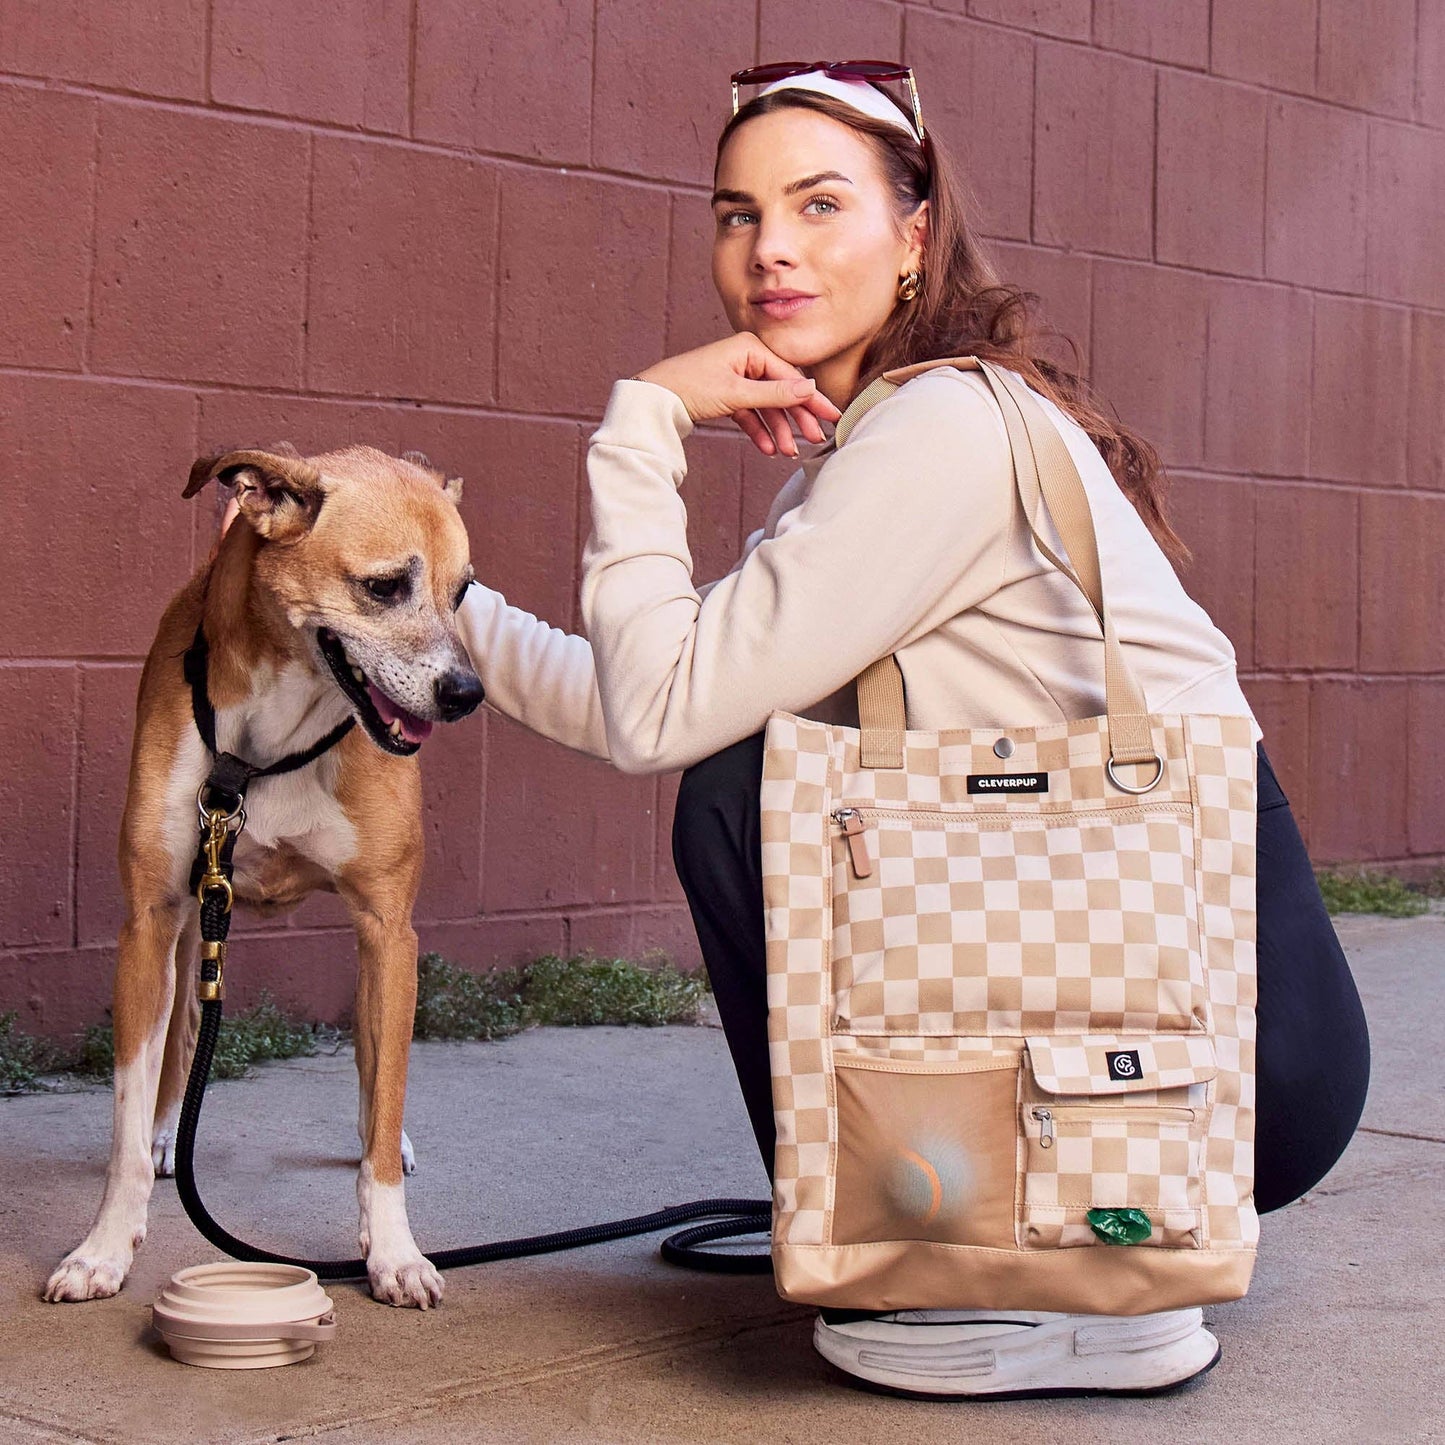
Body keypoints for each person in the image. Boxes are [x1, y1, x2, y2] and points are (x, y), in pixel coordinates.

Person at [456, 63, 1371, 1398]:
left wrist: (644, 423)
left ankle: (1027, 1276)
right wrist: (437, 616)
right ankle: (999, 1244)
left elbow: (665, 712)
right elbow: (641, 695)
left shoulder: (938, 432)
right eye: (734, 213)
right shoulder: (894, 437)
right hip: (1173, 1032)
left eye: (819, 204)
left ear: (914, 236)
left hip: (1227, 1054)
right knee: (741, 756)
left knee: (735, 787)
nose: (767, 247)